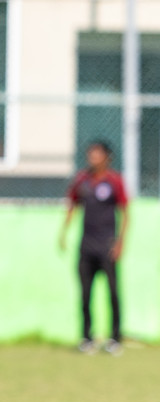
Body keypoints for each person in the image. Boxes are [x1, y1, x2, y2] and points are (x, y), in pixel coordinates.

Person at [59, 139, 128, 355]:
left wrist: (120, 242)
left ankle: (115, 338)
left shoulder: (114, 181)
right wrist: (64, 232)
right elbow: (72, 206)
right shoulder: (82, 181)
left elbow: (125, 213)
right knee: (85, 293)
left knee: (113, 293)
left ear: (107, 157)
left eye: (97, 154)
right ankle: (87, 338)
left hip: (107, 246)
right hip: (86, 247)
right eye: (91, 153)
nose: (93, 157)